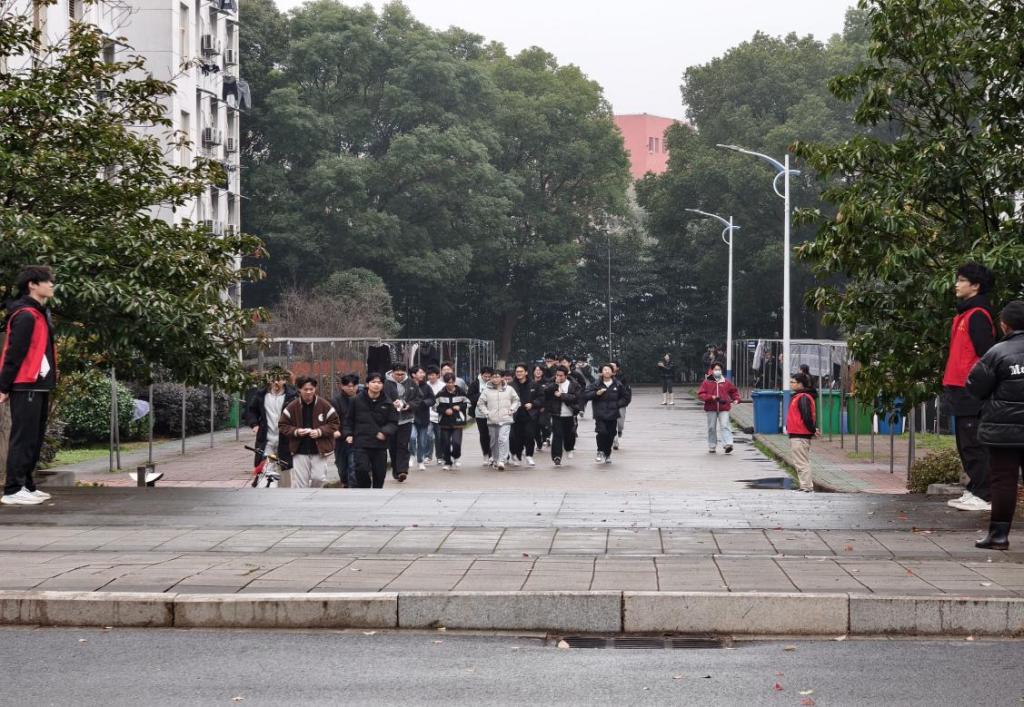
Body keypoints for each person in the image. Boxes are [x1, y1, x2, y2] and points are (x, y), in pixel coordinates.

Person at [966, 301, 1024, 549]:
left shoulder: (997, 353)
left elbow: (975, 386)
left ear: (1004, 325)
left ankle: (999, 536)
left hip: (1003, 431)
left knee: (1003, 480)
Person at [0, 266, 57, 506]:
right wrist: (3, 387)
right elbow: (14, 353)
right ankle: (13, 489)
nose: (51, 285)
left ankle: (27, 485)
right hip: (26, 384)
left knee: (34, 438)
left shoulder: (40, 313)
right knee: (23, 438)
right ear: (32, 284)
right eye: (47, 281)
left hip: (39, 384)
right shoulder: (25, 315)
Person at [943, 263, 997, 512]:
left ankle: (985, 495)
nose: (957, 284)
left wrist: (980, 387)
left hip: (971, 389)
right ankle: (976, 489)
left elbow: (988, 355)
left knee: (973, 443)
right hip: (958, 386)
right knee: (965, 443)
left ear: (975, 286)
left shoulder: (977, 315)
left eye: (962, 280)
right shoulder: (965, 313)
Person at [278, 377, 341, 488]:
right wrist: (296, 431)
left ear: (315, 389)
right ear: (299, 389)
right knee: (301, 483)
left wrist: (320, 431)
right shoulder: (292, 406)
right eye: (305, 389)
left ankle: (313, 495)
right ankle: (302, 498)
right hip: (299, 449)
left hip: (319, 449)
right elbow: (282, 425)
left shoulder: (324, 404)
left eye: (311, 389)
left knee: (319, 478)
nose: (308, 392)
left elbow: (335, 422)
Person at [344, 372, 399, 488]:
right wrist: (348, 434)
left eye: (379, 382)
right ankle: (365, 489)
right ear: (367, 384)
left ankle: (377, 492)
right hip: (361, 442)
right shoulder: (356, 400)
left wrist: (385, 432)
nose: (376, 385)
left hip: (380, 444)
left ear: (383, 385)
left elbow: (393, 422)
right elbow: (348, 420)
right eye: (373, 382)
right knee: (361, 469)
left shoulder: (388, 403)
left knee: (379, 474)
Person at [243, 366, 297, 477]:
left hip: (285, 440)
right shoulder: (261, 395)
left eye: (279, 379)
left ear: (284, 380)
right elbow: (251, 411)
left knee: (284, 474)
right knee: (266, 471)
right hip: (266, 440)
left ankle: (284, 488)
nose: (276, 382)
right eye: (273, 379)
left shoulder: (292, 397)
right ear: (269, 380)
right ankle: (266, 486)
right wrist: (254, 424)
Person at [583, 364, 630, 464]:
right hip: (600, 414)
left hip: (613, 414)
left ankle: (607, 454)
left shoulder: (618, 384)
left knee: (611, 434)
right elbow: (586, 394)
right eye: (604, 369)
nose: (607, 371)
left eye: (609, 370)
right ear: (601, 372)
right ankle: (600, 451)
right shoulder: (596, 384)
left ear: (613, 372)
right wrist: (596, 393)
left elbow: (626, 397)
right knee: (602, 432)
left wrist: (617, 404)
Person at [384, 363, 422, 483]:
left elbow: (418, 399)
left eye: (402, 374)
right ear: (392, 373)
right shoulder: (386, 384)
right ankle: (396, 470)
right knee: (393, 446)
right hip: (391, 420)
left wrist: (409, 405)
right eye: (397, 374)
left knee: (403, 444)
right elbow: (382, 398)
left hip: (406, 419)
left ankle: (402, 470)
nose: (399, 376)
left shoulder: (411, 383)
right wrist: (391, 404)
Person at [475, 369, 520, 471]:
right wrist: (487, 413)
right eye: (493, 377)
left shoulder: (509, 389)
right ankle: (495, 459)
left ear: (502, 378)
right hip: (492, 419)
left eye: (497, 377)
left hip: (506, 418)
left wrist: (512, 409)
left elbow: (516, 400)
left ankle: (502, 460)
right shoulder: (486, 391)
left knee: (503, 439)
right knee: (494, 441)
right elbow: (480, 403)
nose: (495, 379)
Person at [698, 363, 740, 454]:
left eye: (719, 369)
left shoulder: (726, 382)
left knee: (725, 425)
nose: (717, 371)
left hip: (724, 407)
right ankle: (712, 445)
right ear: (712, 370)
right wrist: (711, 397)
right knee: (711, 427)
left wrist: (736, 399)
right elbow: (701, 394)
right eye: (716, 369)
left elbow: (734, 391)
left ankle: (728, 444)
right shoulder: (706, 382)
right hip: (711, 408)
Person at [786, 372, 817, 492]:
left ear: (800, 384)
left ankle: (806, 486)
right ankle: (805, 485)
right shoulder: (801, 396)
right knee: (801, 461)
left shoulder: (803, 397)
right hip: (799, 434)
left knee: (801, 462)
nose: (791, 384)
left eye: (793, 382)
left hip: (800, 434)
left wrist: (812, 430)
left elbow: (806, 416)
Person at [434, 372, 470, 470]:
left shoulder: (461, 392)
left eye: (452, 382)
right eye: (448, 382)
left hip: (458, 422)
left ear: (455, 382)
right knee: (445, 443)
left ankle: (456, 456)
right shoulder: (440, 394)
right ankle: (447, 462)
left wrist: (460, 407)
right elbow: (434, 407)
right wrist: (444, 411)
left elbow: (468, 403)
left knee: (456, 442)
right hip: (444, 422)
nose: (450, 384)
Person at [547, 365, 581, 466]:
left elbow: (576, 397)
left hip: (570, 414)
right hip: (556, 414)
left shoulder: (573, 384)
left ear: (566, 375)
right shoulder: (552, 383)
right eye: (557, 375)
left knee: (569, 435)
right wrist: (555, 385)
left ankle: (569, 448)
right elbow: (546, 392)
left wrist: (562, 395)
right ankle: (556, 456)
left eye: (561, 375)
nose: (558, 377)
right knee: (557, 435)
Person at [510, 364, 541, 466]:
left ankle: (529, 455)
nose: (519, 373)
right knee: (516, 437)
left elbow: (541, 397)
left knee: (529, 435)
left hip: (529, 415)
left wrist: (533, 404)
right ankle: (517, 455)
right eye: (517, 371)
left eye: (521, 371)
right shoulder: (511, 385)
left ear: (526, 372)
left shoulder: (534, 384)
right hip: (515, 415)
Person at [331, 374, 359, 487]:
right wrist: (336, 431)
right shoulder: (335, 401)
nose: (351, 388)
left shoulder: (362, 399)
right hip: (341, 439)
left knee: (353, 466)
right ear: (342, 386)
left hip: (356, 438)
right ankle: (345, 482)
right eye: (348, 386)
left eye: (354, 386)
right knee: (342, 467)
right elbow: (333, 419)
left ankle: (353, 488)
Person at [409, 366, 435, 472]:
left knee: (422, 441)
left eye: (423, 372)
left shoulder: (426, 387)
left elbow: (432, 399)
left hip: (423, 417)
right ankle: (412, 454)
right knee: (412, 437)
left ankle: (420, 461)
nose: (423, 374)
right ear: (413, 374)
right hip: (411, 417)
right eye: (420, 372)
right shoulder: (408, 385)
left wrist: (425, 403)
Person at [467, 367, 494, 465]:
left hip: (493, 413)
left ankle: (492, 455)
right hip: (480, 414)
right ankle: (486, 454)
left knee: (493, 434)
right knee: (484, 435)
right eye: (485, 376)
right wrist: (482, 395)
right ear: (481, 375)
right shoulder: (475, 384)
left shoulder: (495, 383)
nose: (487, 378)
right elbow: (470, 397)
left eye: (489, 376)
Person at [609, 361, 633, 450]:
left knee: (620, 424)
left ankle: (620, 430)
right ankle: (615, 442)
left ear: (617, 368)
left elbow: (627, 393)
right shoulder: (605, 378)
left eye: (613, 366)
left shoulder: (623, 378)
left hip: (620, 404)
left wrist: (624, 402)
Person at [426, 365, 445, 465]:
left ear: (437, 375)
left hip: (440, 415)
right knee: (428, 435)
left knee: (439, 437)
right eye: (429, 375)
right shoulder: (425, 385)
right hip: (428, 415)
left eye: (433, 375)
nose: (431, 377)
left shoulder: (443, 386)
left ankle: (440, 456)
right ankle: (428, 456)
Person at [531, 364, 551, 451]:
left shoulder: (547, 382)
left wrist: (544, 406)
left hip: (544, 408)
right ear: (533, 372)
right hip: (533, 408)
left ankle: (546, 438)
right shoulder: (530, 382)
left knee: (542, 423)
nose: (538, 372)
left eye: (540, 370)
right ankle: (538, 443)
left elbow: (549, 396)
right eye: (536, 370)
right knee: (535, 427)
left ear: (542, 372)